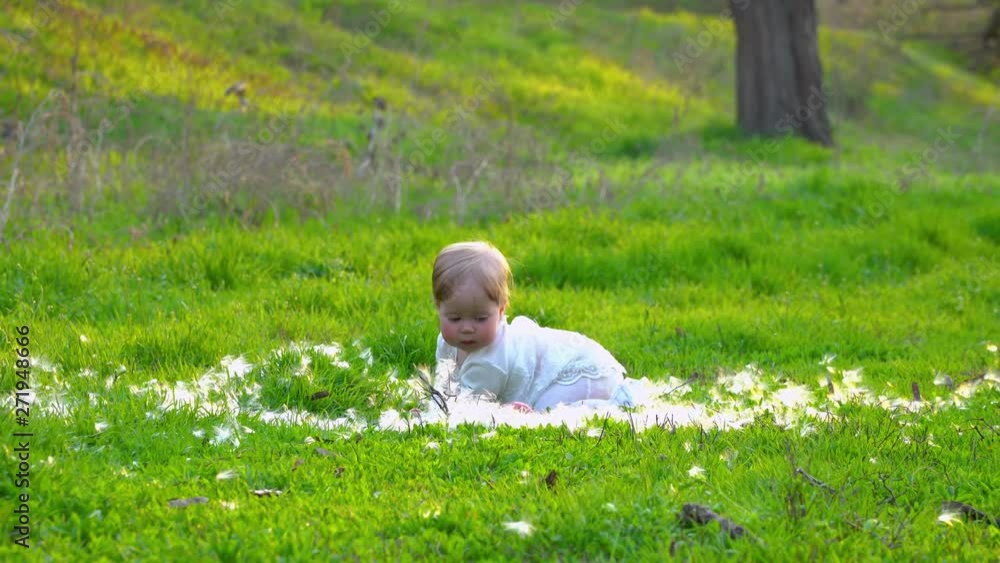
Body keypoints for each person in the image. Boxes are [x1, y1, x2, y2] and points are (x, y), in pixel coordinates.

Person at [432, 241, 627, 412]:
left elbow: (465, 410)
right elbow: (445, 387)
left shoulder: (491, 362)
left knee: (548, 413)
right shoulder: (446, 342)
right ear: (439, 308)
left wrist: (434, 414)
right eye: (455, 318)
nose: (467, 328)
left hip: (579, 374)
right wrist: (434, 403)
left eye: (480, 318)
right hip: (561, 372)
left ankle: (610, 405)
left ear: (501, 310)